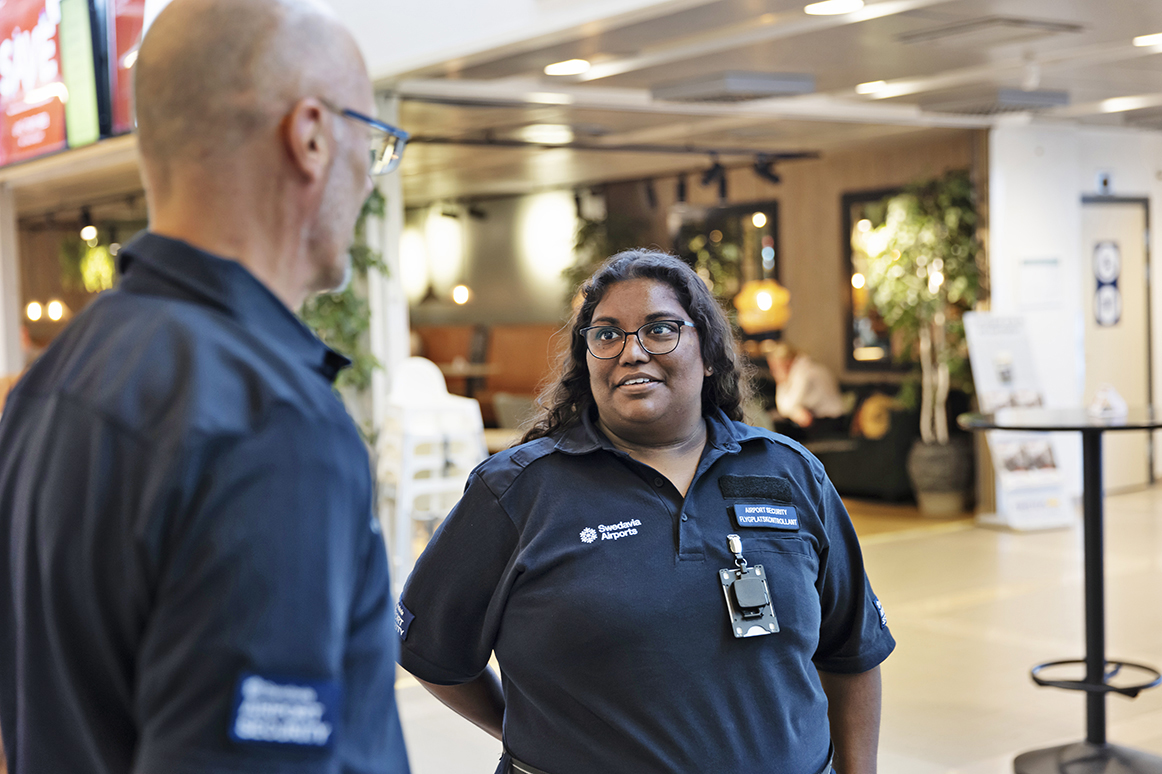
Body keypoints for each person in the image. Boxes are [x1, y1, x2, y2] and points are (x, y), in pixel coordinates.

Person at [0, 0, 411, 772]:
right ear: (312, 136)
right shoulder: (270, 422)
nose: (370, 178)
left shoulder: (49, 383)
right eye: (374, 142)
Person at [397, 250, 895, 774]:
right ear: (585, 358)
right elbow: (432, 650)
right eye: (607, 334)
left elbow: (852, 652)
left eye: (660, 330)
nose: (632, 352)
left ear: (708, 352)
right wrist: (526, 735)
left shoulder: (790, 473)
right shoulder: (517, 490)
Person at [766, 340, 847, 438]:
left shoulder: (804, 371)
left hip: (831, 423)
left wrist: (781, 382)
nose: (772, 372)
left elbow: (785, 406)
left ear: (786, 363)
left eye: (775, 368)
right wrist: (796, 412)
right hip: (821, 419)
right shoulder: (802, 367)